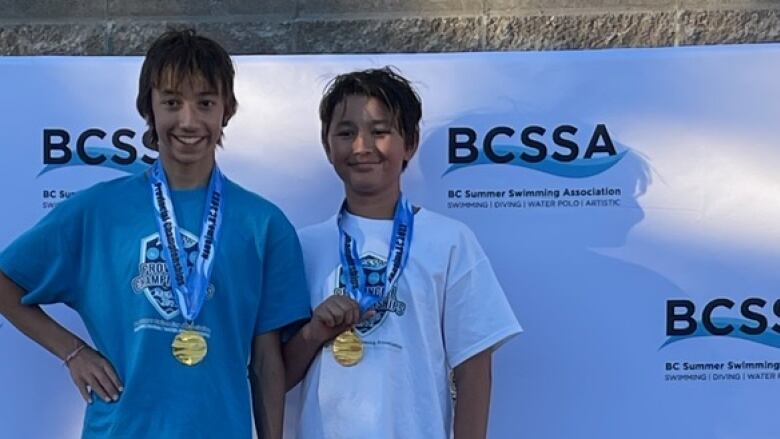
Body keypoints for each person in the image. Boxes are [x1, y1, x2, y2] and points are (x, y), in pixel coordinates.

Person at [0, 29, 310, 438]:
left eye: (205, 103)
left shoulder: (264, 224)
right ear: (149, 108)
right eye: (171, 102)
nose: (188, 120)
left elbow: (267, 361)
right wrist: (72, 352)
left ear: (227, 110)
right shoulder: (98, 211)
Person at [283, 68, 522, 439]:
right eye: (346, 133)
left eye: (380, 132)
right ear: (327, 143)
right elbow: (276, 375)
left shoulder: (450, 241)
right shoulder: (302, 246)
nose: (362, 147)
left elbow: (474, 368)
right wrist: (314, 332)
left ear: (409, 142)